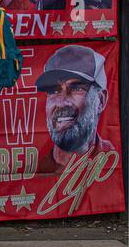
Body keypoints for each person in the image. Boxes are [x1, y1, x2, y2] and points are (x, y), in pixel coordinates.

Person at [36, 45, 115, 173]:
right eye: (54, 90)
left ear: (101, 100)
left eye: (76, 89)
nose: (61, 103)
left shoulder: (115, 160)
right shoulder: (33, 168)